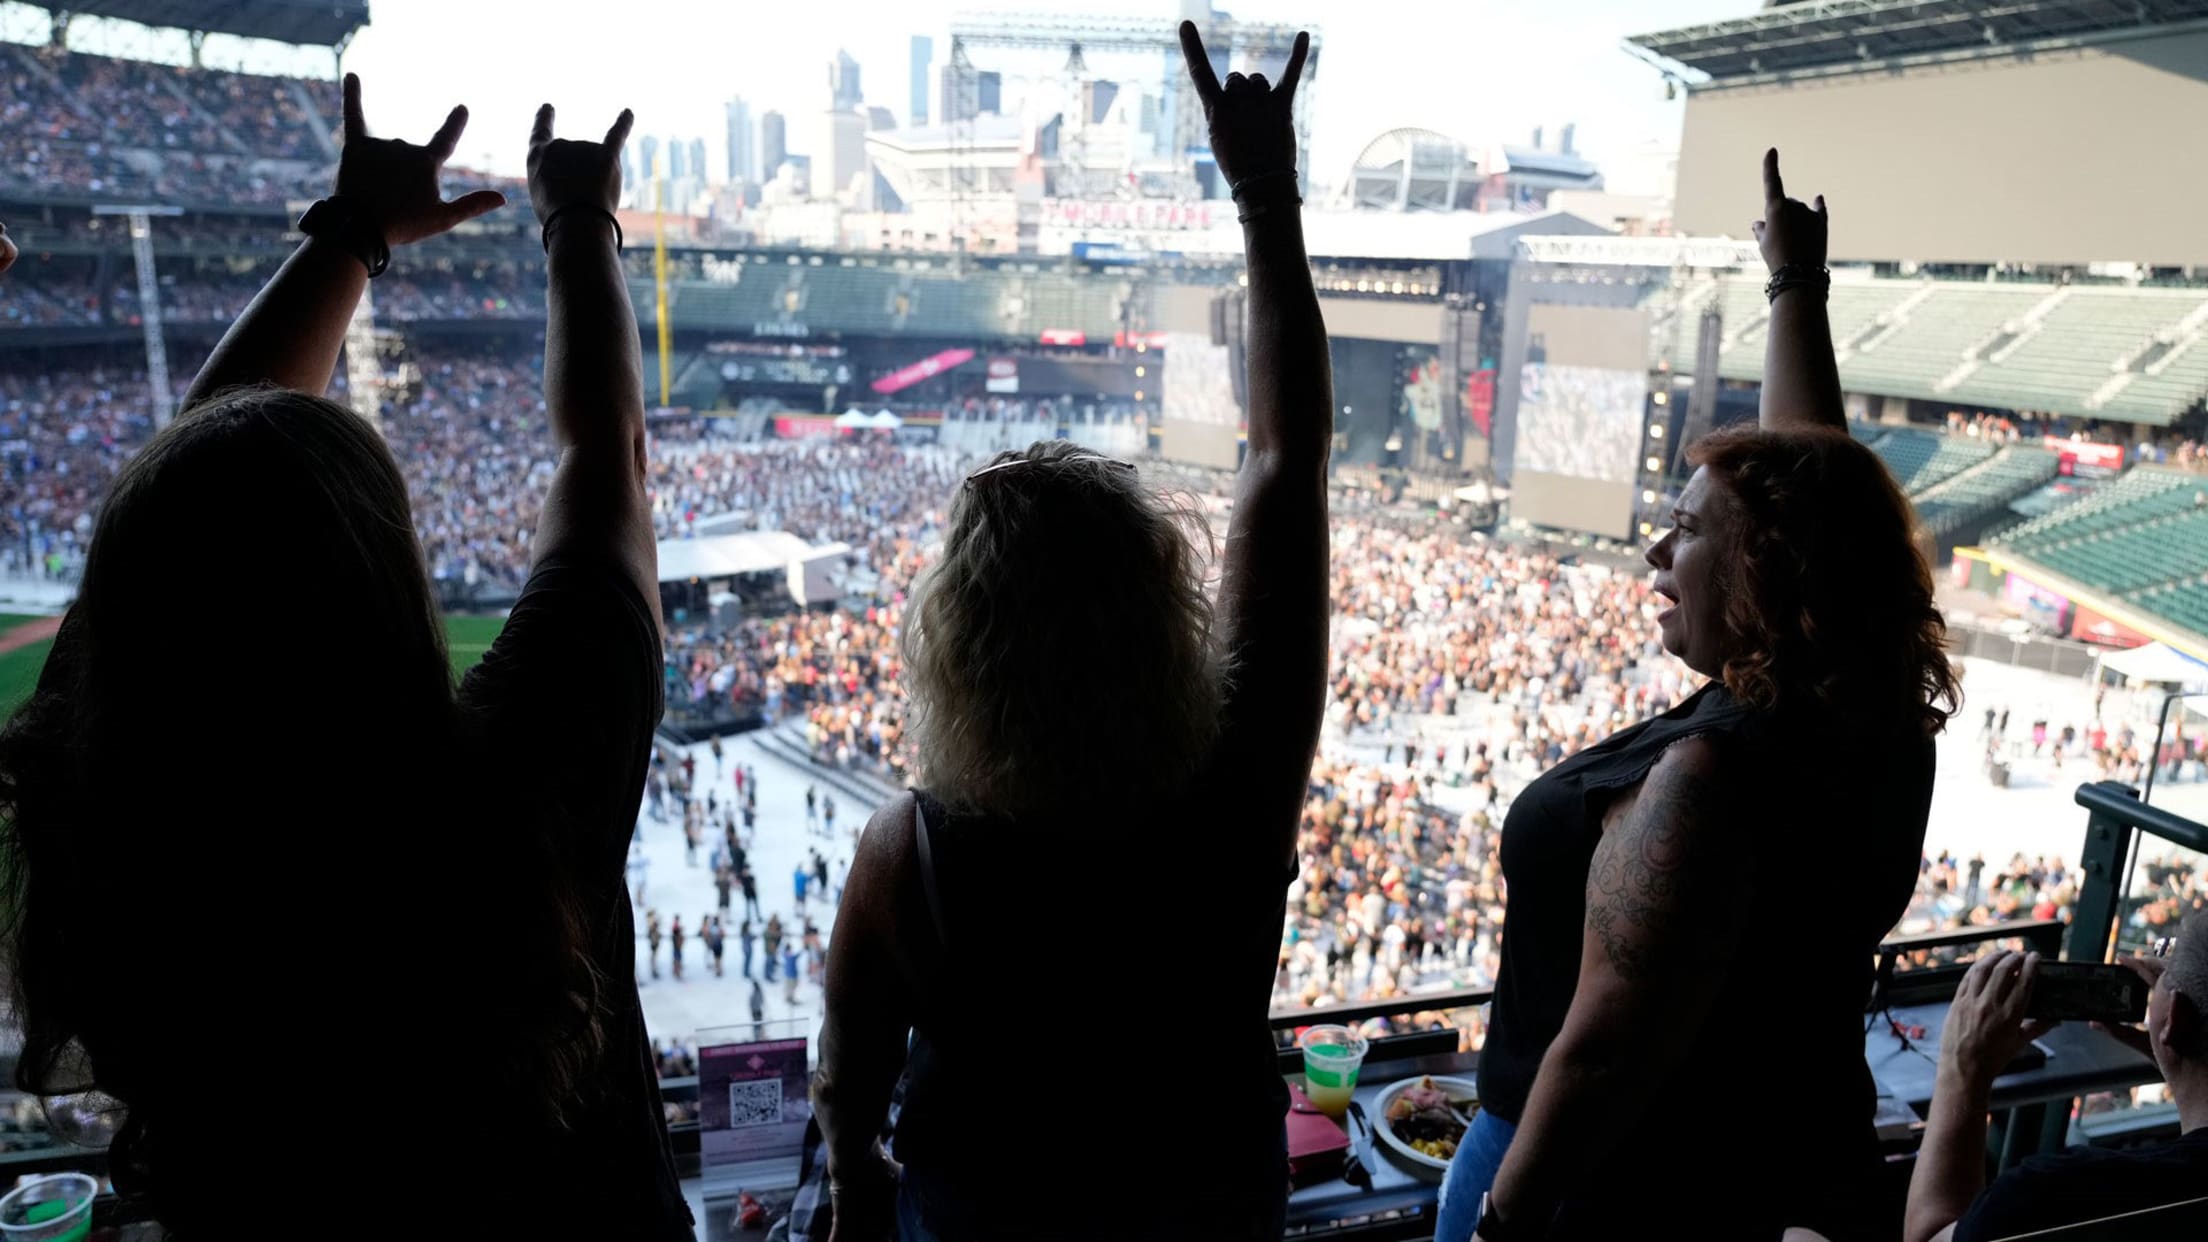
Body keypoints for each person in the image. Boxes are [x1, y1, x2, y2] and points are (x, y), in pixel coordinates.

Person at [0, 81, 689, 1237]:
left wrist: (351, 234)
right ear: (392, 571)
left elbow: (180, 509)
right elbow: (604, 454)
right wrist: (578, 220)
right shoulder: (520, 783)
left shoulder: (99, 820)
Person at [813, 25, 1330, 1241]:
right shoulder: (1239, 782)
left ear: (960, 647)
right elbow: (1287, 460)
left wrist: (854, 1178)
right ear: (1160, 606)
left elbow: (851, 1074)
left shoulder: (911, 852)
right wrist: (1264, 193)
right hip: (1209, 1208)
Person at [1435, 149, 1958, 1242]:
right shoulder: (1874, 713)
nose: (1655, 552)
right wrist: (1795, 286)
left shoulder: (1707, 777)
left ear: (1766, 571)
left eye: (1683, 528)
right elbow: (1813, 487)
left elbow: (1603, 1050)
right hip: (1763, 1153)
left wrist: (1503, 1220)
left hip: (1596, 1181)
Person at [1904, 929, 2208, 1241]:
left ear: (2174, 1017)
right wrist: (2180, 1055)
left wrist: (1962, 1069)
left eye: (2168, 957)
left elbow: (1927, 1237)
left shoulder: (2054, 1194)